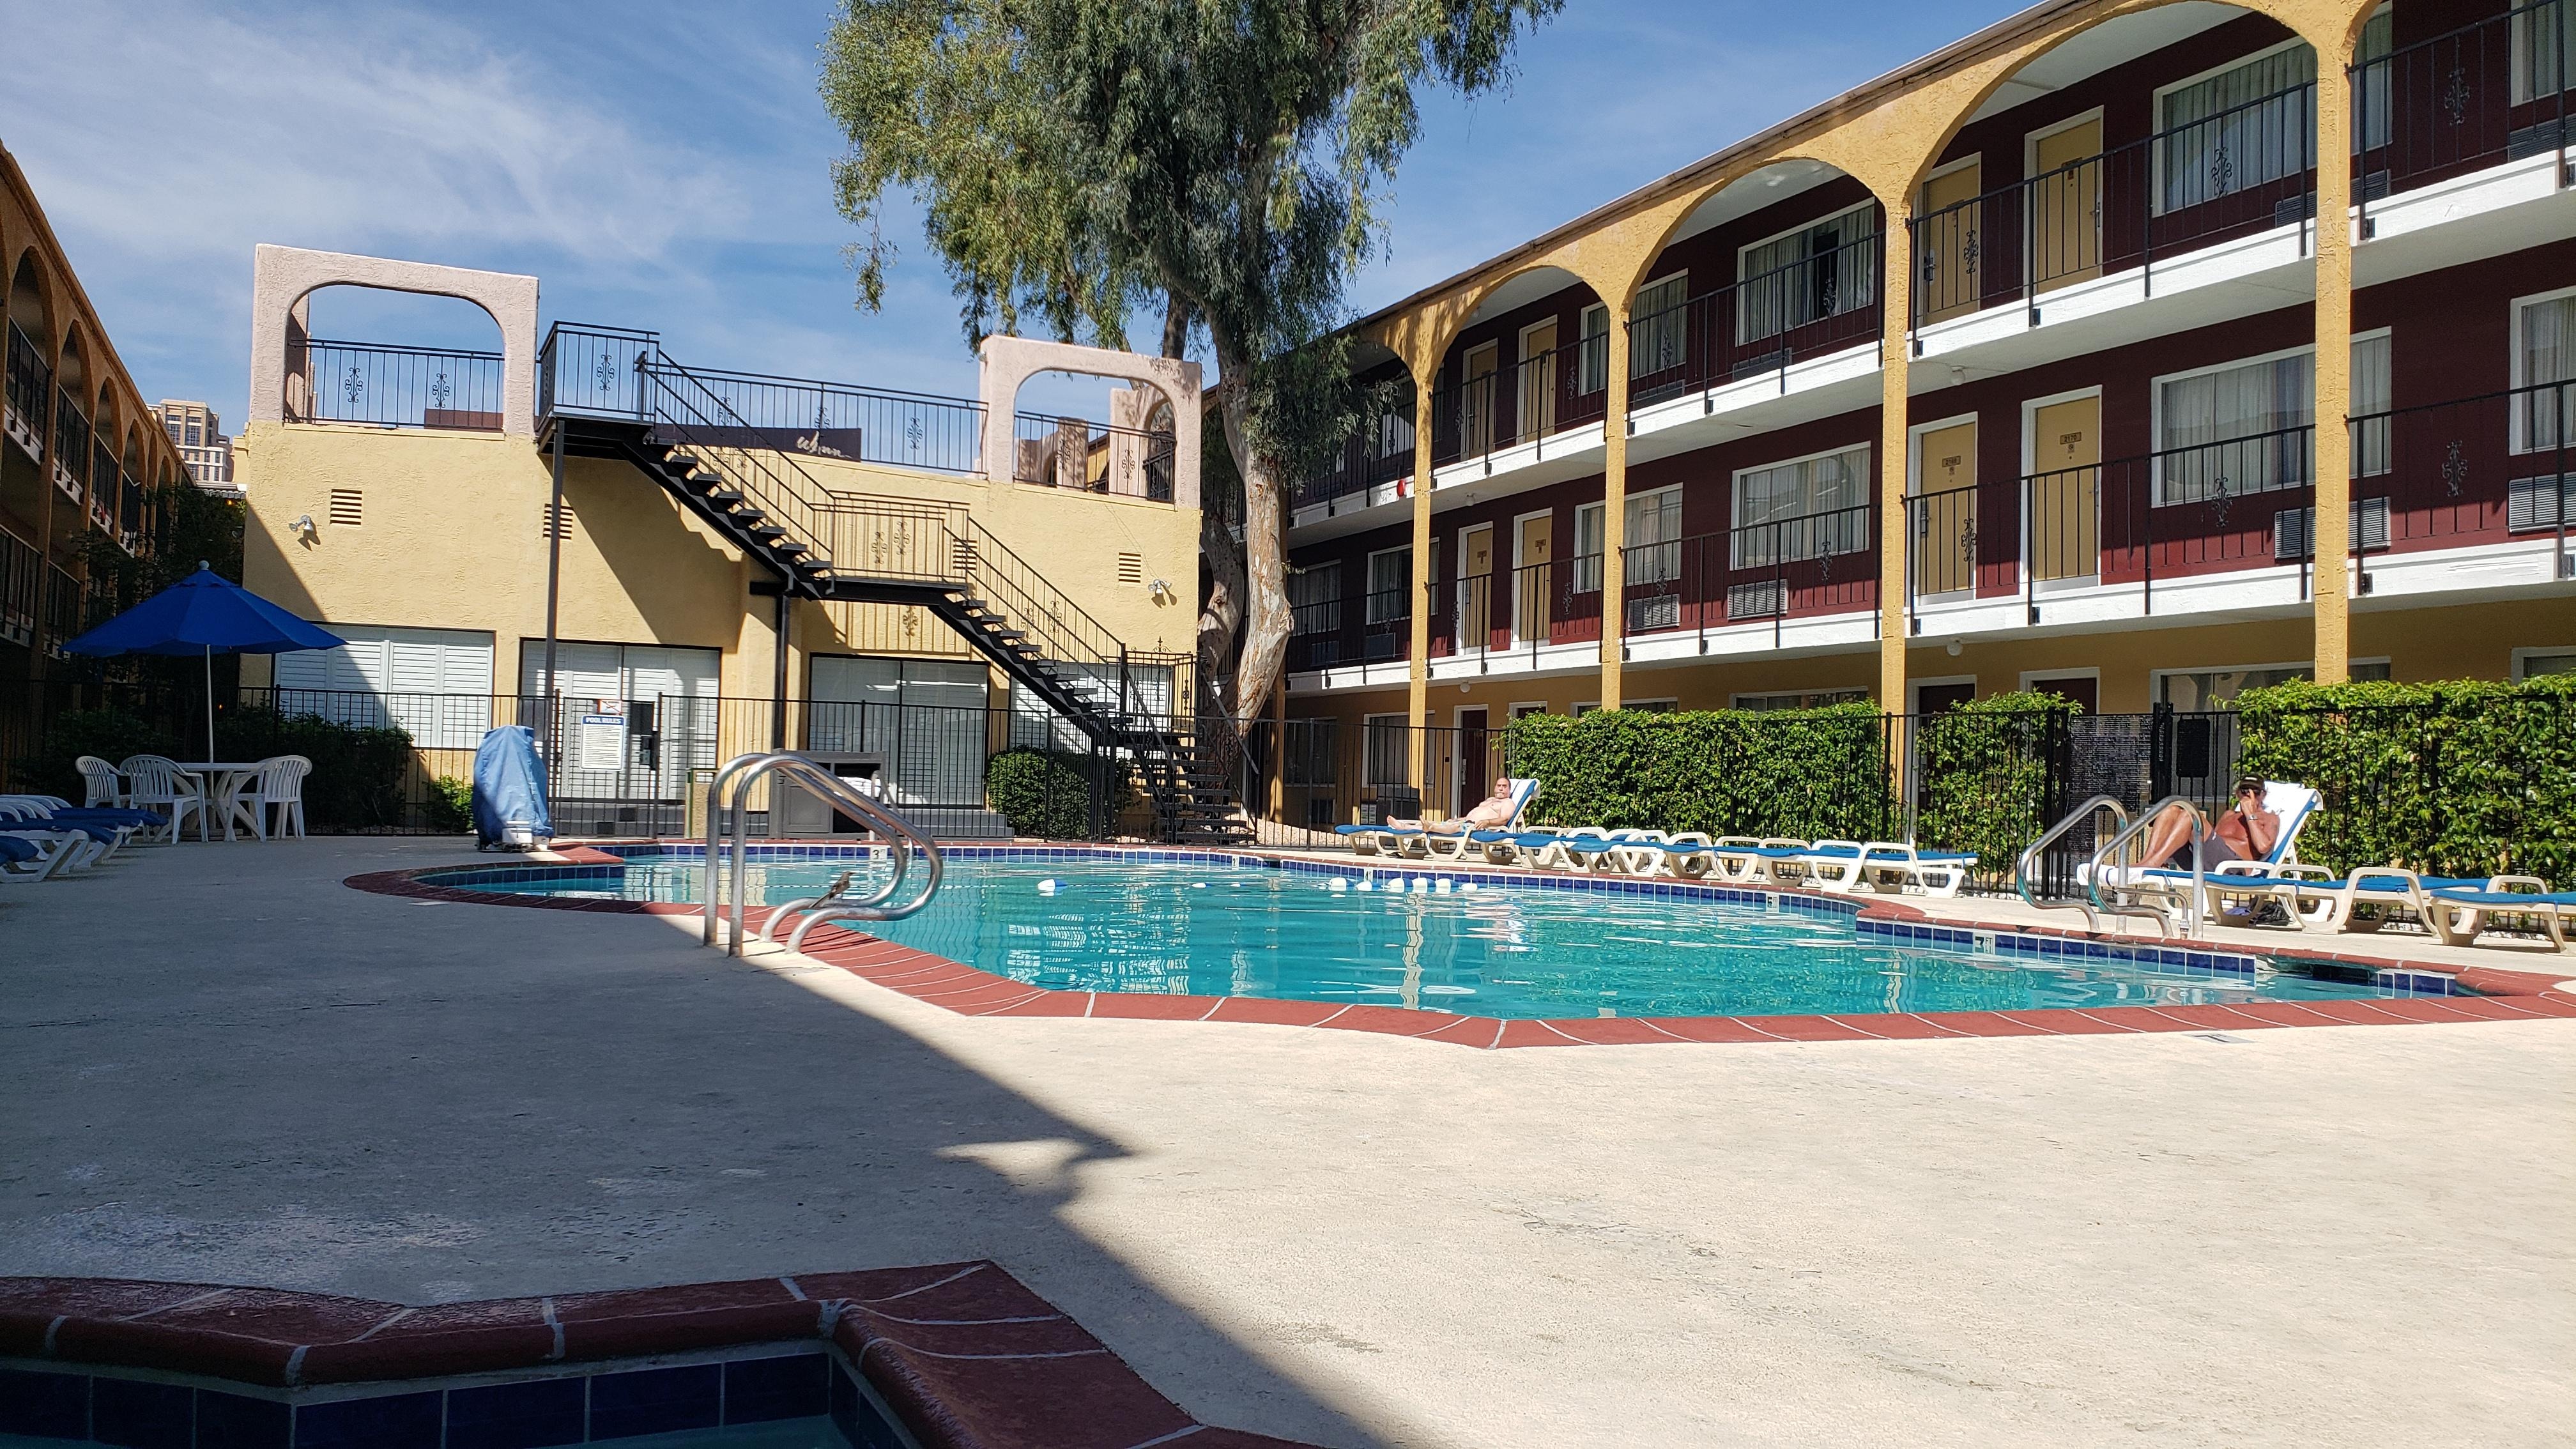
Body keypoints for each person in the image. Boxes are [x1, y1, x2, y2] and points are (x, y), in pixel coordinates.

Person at [2137, 775, 2279, 873]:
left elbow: (2263, 847)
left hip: (2233, 867)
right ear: (2238, 793)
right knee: (2171, 810)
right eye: (2245, 790)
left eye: (2255, 791)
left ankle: (2153, 863)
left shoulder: (2270, 818)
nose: (2249, 794)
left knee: (2191, 814)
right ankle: (2148, 860)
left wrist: (2250, 815)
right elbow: (2212, 841)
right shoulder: (2229, 815)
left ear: (2263, 795)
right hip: (2203, 860)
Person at [1390, 776, 1521, 836]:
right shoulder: (1490, 800)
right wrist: (1460, 819)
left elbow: (1504, 819)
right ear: (1495, 788)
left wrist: (1487, 822)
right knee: (1447, 823)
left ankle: (1430, 828)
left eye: (1504, 786)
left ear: (1509, 790)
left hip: (1479, 828)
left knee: (1456, 827)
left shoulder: (1508, 802)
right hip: (1467, 823)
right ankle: (1406, 826)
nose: (1501, 788)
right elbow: (1475, 814)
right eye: (1499, 786)